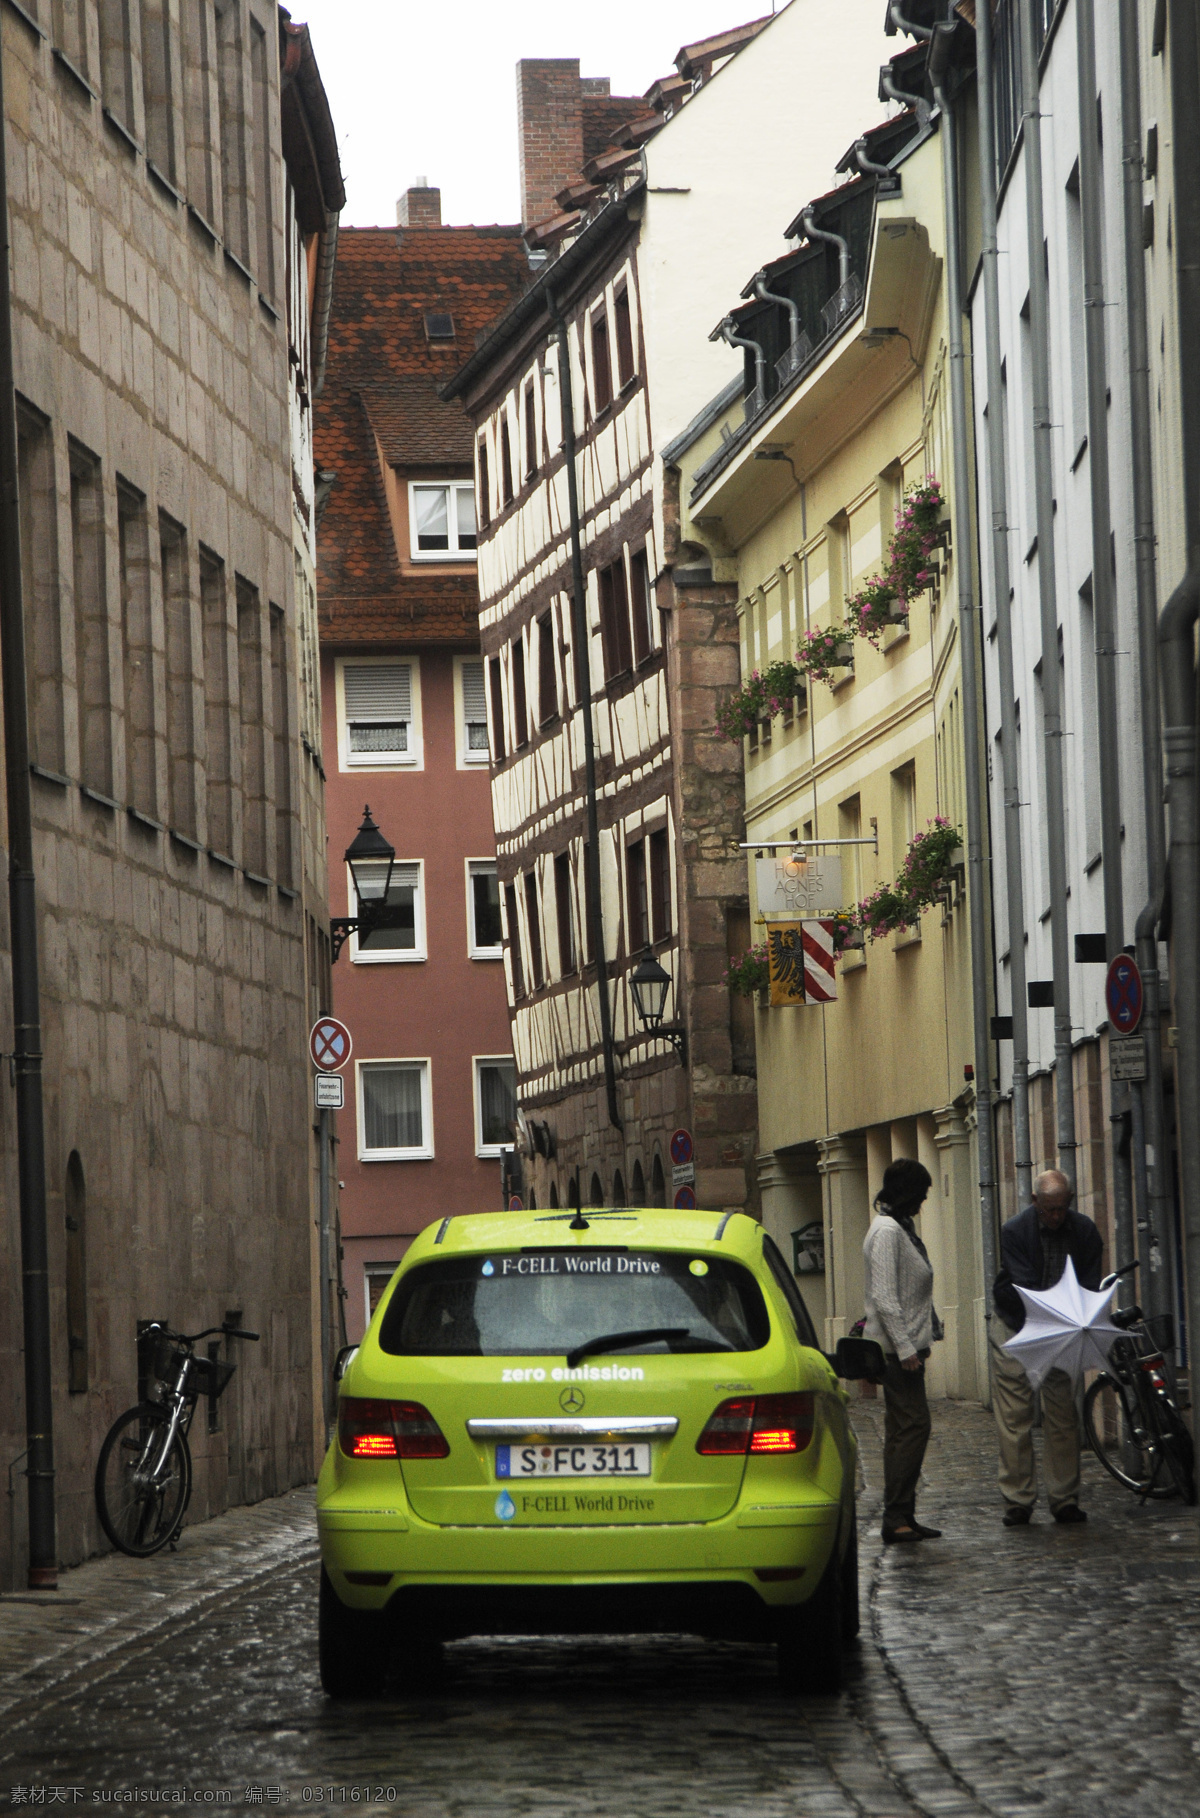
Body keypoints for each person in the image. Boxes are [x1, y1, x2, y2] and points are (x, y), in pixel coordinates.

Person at [991, 1168, 1103, 1527]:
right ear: (1035, 1202)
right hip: (1016, 1324)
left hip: (1061, 1330)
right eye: (1048, 1210)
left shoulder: (1084, 1231)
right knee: (1015, 1416)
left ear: (1069, 1202)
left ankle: (1065, 1499)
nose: (1055, 1217)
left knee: (1063, 1415)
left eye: (1061, 1209)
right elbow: (1024, 1289)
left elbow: (1088, 1286)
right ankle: (1018, 1501)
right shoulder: (1014, 1231)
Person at [863, 1157, 942, 1544]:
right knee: (913, 1427)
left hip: (905, 1348)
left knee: (902, 1430)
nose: (923, 1201)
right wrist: (906, 1347)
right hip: (897, 1353)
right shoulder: (888, 1232)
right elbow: (884, 1296)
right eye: (922, 1193)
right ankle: (896, 1517)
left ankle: (903, 1515)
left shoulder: (900, 1229)